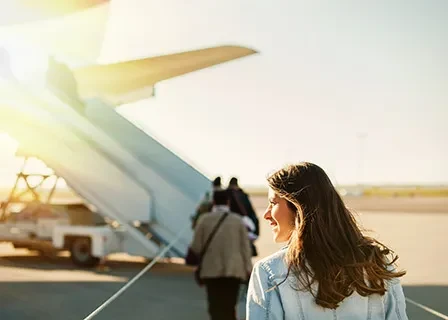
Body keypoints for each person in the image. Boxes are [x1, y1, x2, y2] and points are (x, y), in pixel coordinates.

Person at [246, 162, 408, 319]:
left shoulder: (271, 272)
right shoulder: (378, 264)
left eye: (273, 203)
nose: (266, 214)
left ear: (299, 206)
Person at [190, 190, 253, 320]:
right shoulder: (238, 221)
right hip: (234, 270)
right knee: (229, 306)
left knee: (215, 306)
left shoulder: (204, 220)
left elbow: (196, 246)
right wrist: (248, 268)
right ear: (228, 202)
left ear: (213, 202)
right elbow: (245, 248)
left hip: (211, 269)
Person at [227, 177, 260, 256]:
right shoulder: (242, 195)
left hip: (228, 227)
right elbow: (251, 213)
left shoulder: (226, 194)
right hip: (244, 227)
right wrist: (255, 233)